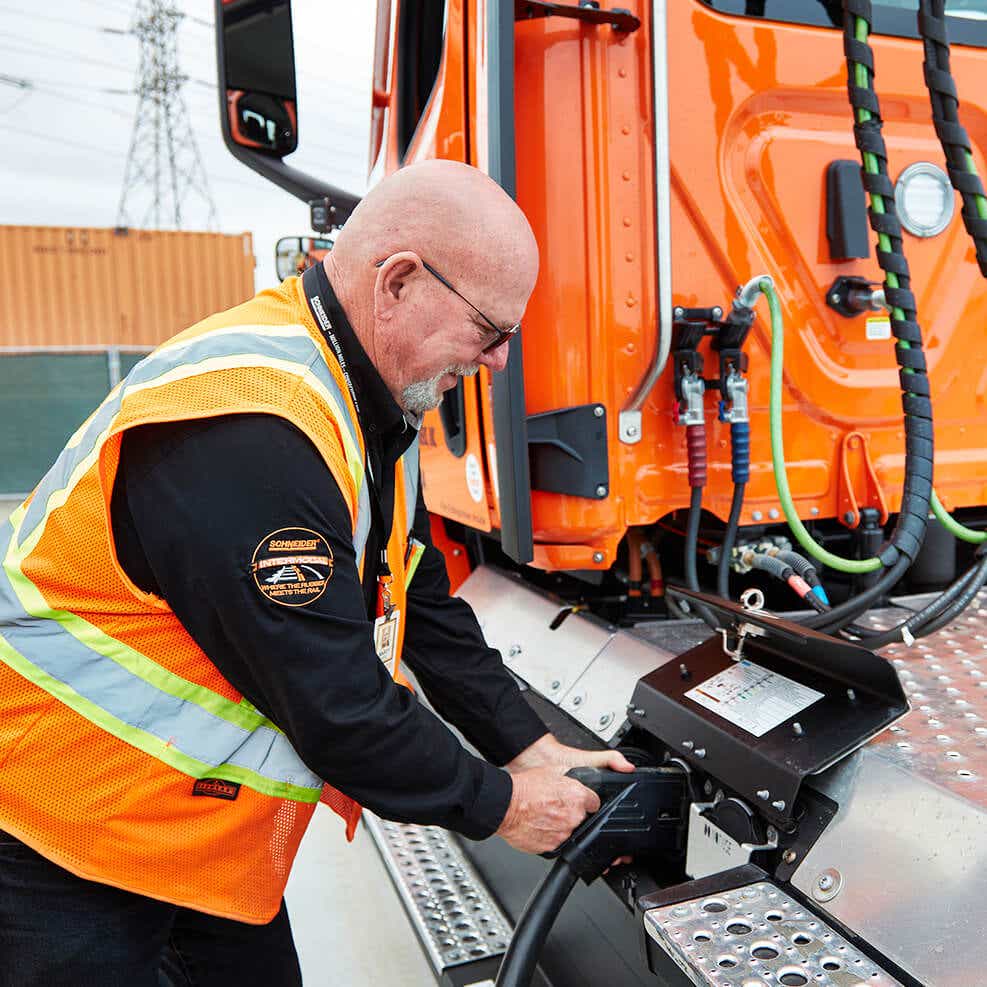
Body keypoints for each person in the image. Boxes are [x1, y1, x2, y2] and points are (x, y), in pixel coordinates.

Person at [0, 160, 632, 986]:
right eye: (489, 330)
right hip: (70, 841)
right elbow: (336, 704)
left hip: (185, 840)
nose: (499, 361)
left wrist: (527, 741)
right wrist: (503, 803)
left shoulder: (368, 404)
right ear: (397, 282)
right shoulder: (254, 427)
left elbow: (418, 597)